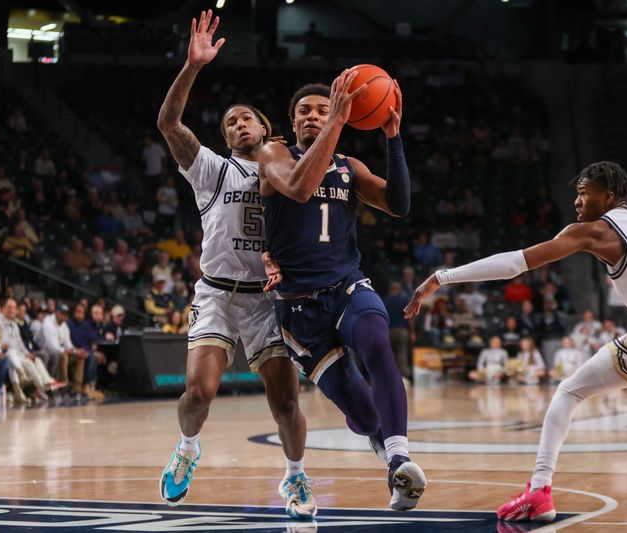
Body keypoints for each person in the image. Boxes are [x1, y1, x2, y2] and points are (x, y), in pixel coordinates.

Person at [404, 161, 627, 523]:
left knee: (569, 392)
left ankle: (539, 491)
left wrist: (443, 276)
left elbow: (516, 263)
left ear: (609, 197)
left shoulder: (594, 232)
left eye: (584, 194)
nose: (576, 201)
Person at [155, 10, 316, 519]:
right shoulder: (211, 169)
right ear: (224, 137)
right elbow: (168, 123)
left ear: (265, 127)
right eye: (229, 121)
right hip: (219, 295)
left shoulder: (287, 166)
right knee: (199, 393)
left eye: (246, 117)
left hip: (269, 301)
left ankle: (295, 478)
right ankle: (186, 449)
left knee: (286, 403)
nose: (238, 123)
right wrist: (193, 67)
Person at [258, 71, 425, 510]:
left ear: (342, 117)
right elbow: (299, 188)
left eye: (323, 110)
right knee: (365, 415)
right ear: (292, 122)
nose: (313, 116)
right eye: (304, 112)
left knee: (377, 344)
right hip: (299, 310)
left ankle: (400, 461)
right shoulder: (273, 154)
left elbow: (399, 205)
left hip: (347, 285)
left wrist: (393, 136)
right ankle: (379, 441)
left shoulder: (351, 167)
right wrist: (336, 123)